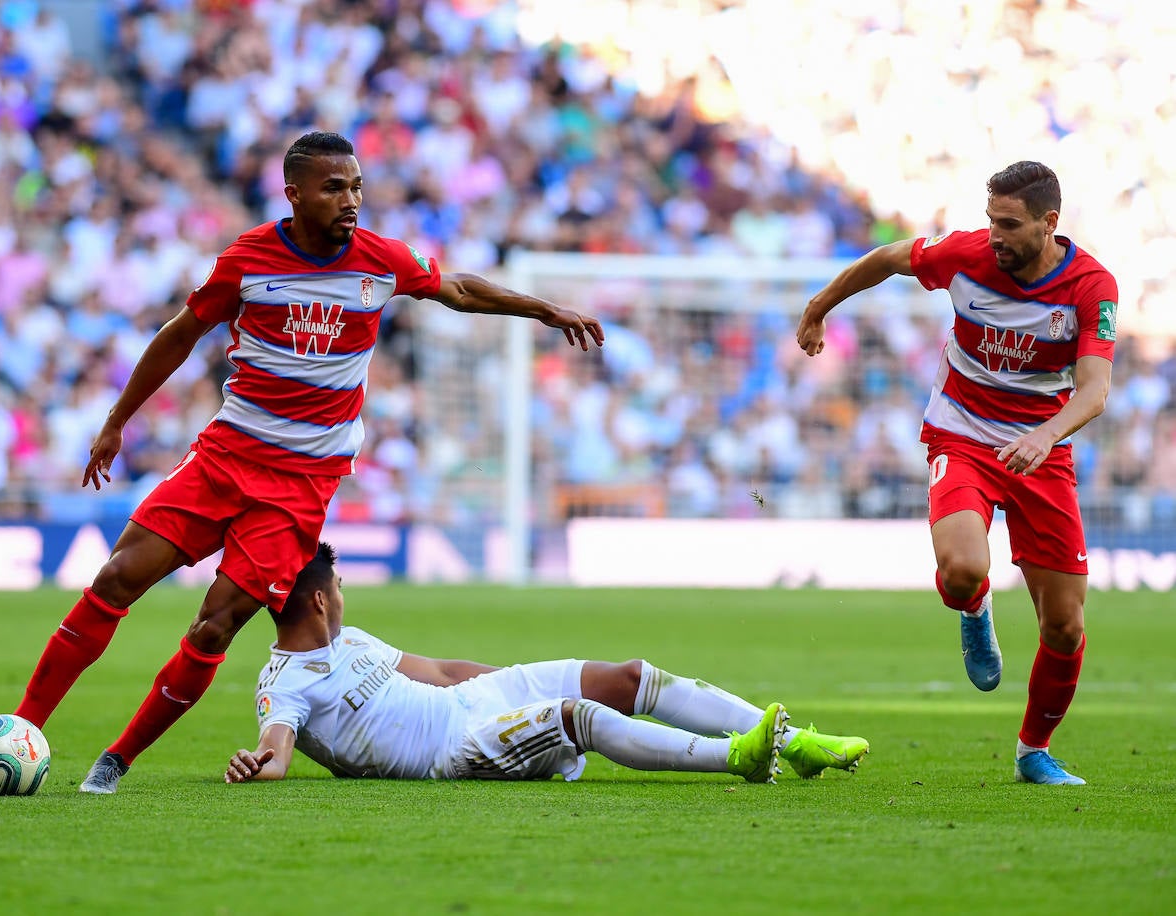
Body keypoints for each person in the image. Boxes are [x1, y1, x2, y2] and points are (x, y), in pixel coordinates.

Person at [0, 131, 606, 793]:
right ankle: (19, 727)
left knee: (215, 623)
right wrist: (117, 422)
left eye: (356, 187)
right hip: (224, 459)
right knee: (117, 578)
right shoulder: (250, 260)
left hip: (299, 488)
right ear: (293, 194)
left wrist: (545, 310)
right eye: (333, 187)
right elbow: (180, 335)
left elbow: (456, 288)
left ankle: (116, 761)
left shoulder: (380, 261)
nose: (350, 200)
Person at [795, 161, 1117, 786]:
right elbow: (889, 258)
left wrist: (1045, 436)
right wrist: (819, 307)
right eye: (990, 219)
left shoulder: (1090, 286)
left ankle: (1033, 752)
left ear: (1050, 223)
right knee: (965, 567)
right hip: (963, 433)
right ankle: (975, 611)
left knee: (1066, 623)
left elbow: (1096, 391)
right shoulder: (968, 254)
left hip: (1041, 450)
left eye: (1009, 223)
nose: (994, 234)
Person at [225, 543, 869, 785]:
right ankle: (738, 756)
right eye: (337, 586)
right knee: (578, 716)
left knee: (630, 677)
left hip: (474, 703)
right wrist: (258, 764)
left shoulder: (353, 640)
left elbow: (443, 672)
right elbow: (276, 751)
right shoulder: (284, 686)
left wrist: (512, 684)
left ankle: (796, 740)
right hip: (456, 747)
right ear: (318, 598)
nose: (343, 595)